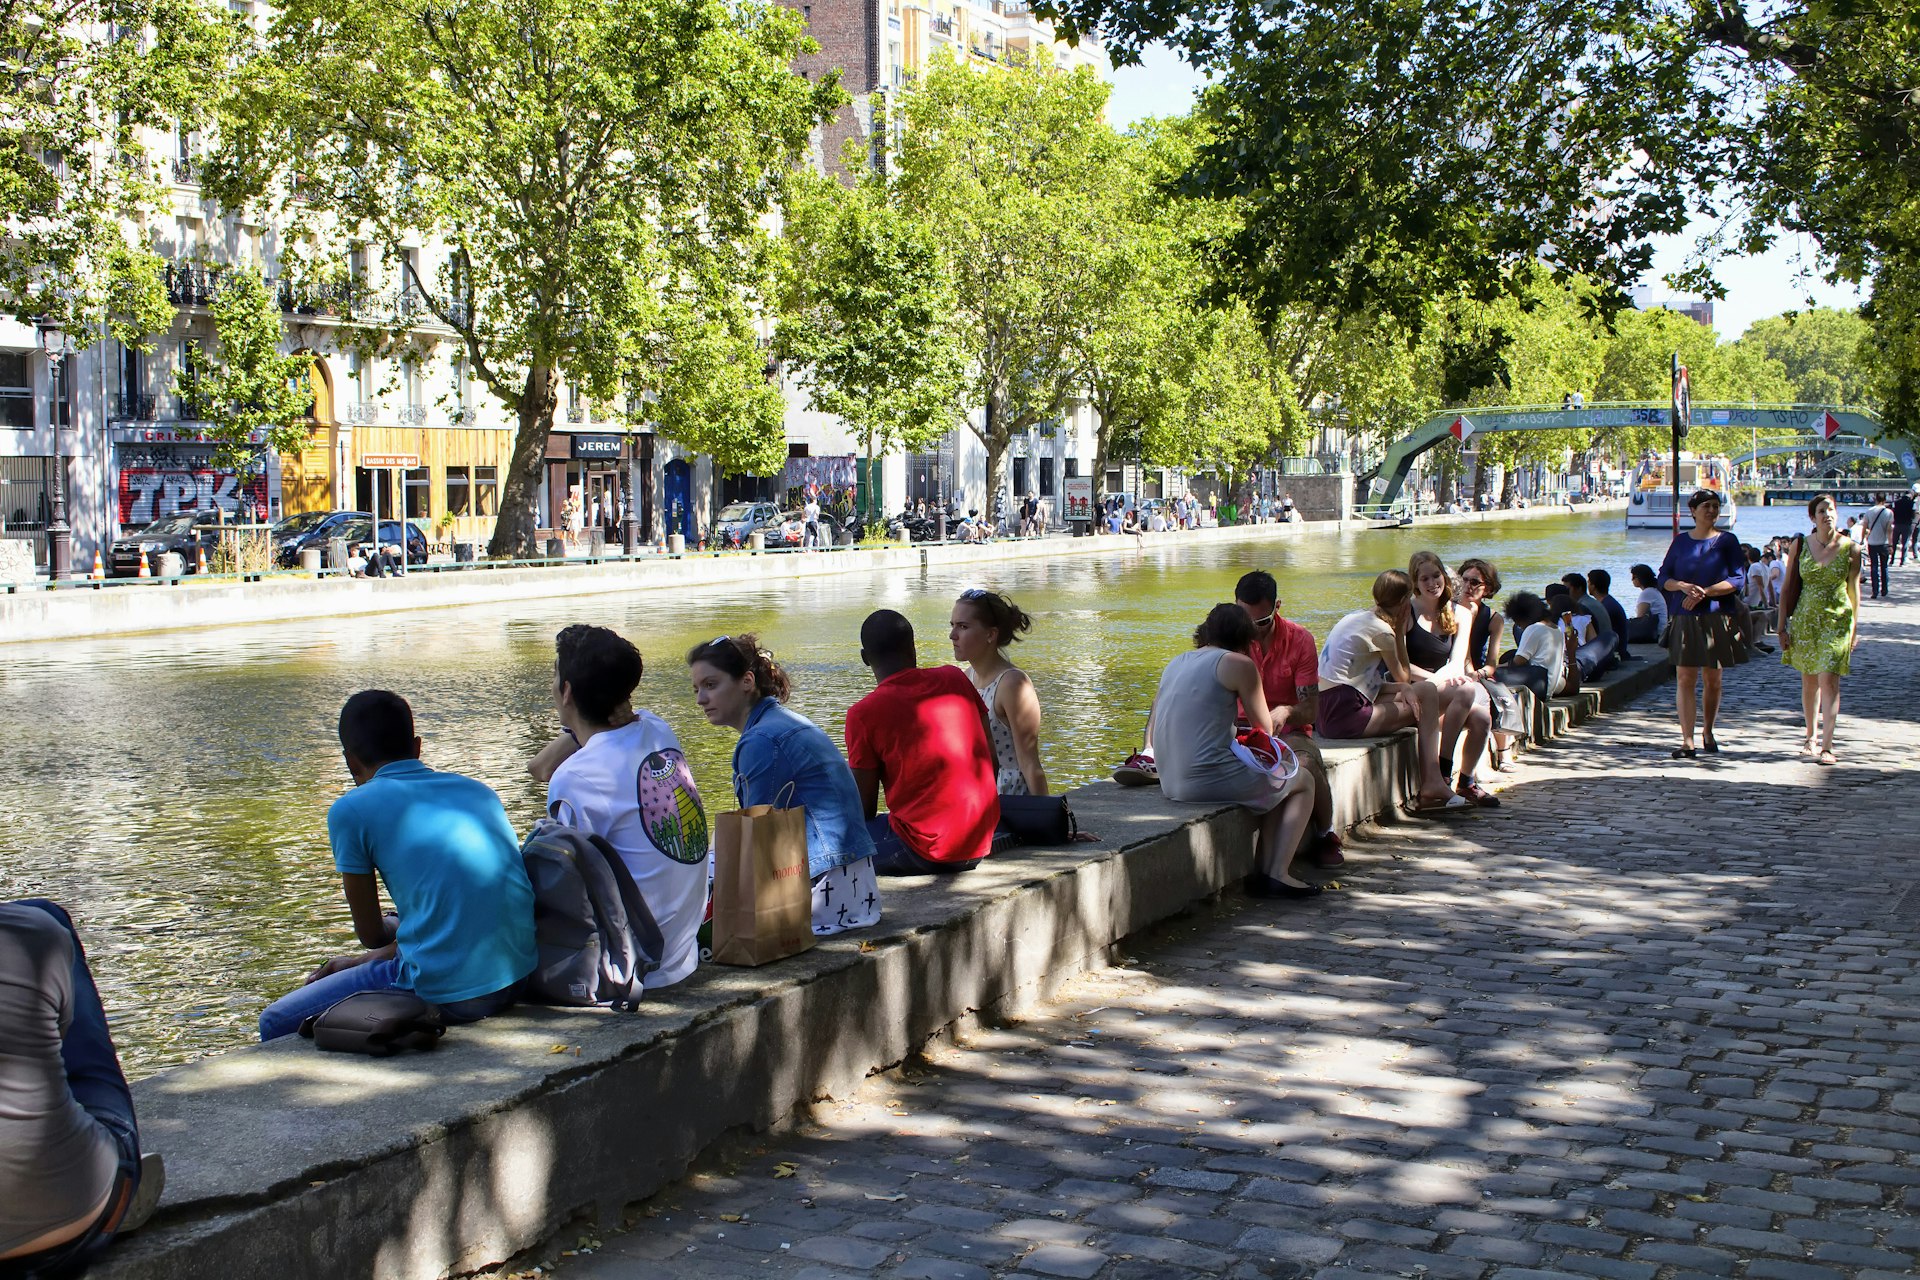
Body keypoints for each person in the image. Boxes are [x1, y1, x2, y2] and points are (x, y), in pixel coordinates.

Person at [258, 691, 537, 1040]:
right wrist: (389, 937)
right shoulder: (478, 791)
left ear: (350, 762)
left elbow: (371, 934)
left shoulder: (350, 811)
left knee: (273, 1022)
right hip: (517, 978)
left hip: (454, 996)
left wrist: (388, 929)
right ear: (417, 746)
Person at [1, 902, 162, 1276]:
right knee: (50, 913)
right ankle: (112, 1180)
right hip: (64, 1231)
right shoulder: (31, 929)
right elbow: (59, 1034)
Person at [545, 626, 710, 988]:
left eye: (555, 676)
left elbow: (566, 894)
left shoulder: (575, 778)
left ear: (567, 691)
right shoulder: (656, 728)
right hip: (683, 953)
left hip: (638, 967)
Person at [687, 635, 882, 937]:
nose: (701, 698)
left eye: (711, 685)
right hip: (855, 889)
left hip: (824, 897)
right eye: (697, 689)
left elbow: (754, 839)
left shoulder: (761, 741)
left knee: (690, 875)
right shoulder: (781, 721)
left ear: (747, 681)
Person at [1145, 604, 1319, 897]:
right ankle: (1278, 873)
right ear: (1246, 638)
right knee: (1302, 781)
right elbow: (1264, 729)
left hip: (1169, 781)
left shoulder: (1176, 662)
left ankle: (1263, 869)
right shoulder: (1239, 664)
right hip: (1203, 781)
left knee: (1277, 787)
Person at [845, 610, 1001, 874]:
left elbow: (864, 810)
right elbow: (991, 759)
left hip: (926, 851)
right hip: (981, 838)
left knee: (827, 843)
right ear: (913, 647)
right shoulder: (954, 678)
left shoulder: (863, 714)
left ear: (864, 658)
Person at [1316, 570, 1466, 812]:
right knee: (1427, 701)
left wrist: (1402, 688)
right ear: (1405, 601)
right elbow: (1404, 673)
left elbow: (1361, 681)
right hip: (1345, 715)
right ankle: (1433, 783)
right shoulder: (1382, 631)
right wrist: (1398, 632)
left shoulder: (1355, 617)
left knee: (1425, 691)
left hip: (1326, 706)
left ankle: (1433, 782)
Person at [1234, 571, 1343, 863]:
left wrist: (1286, 711)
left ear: (1277, 607)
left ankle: (1325, 833)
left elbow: (1311, 708)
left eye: (1262, 622)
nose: (1253, 630)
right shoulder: (1229, 637)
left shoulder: (1300, 640)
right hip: (1240, 730)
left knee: (1304, 764)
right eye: (1247, 622)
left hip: (1289, 731)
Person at [1656, 488, 1748, 758]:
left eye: (1715, 506)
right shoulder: (1680, 542)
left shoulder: (1727, 541)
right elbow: (1663, 577)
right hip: (1685, 618)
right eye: (1705, 506)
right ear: (1692, 512)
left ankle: (1708, 730)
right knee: (1685, 678)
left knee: (1713, 679)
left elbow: (1737, 579)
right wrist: (1682, 587)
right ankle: (1687, 740)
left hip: (1717, 617)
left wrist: (1705, 593)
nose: (1711, 510)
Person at [1405, 552, 1497, 806]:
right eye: (1425, 578)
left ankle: (1465, 782)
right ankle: (1442, 774)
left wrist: (1439, 682)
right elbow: (1400, 667)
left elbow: (1457, 663)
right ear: (1415, 582)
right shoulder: (1407, 611)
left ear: (1445, 578)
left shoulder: (1460, 613)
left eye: (1436, 576)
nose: (1432, 583)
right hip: (1412, 692)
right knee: (1466, 691)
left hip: (1442, 688)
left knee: (1481, 718)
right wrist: (1432, 682)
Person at [1780, 495, 1861, 766]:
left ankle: (1827, 744)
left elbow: (1854, 591)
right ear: (1812, 517)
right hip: (1805, 620)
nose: (1828, 514)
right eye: (1822, 511)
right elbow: (1788, 587)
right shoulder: (1800, 545)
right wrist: (1781, 626)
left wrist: (1854, 629)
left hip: (1837, 619)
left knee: (1829, 679)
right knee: (1810, 680)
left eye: (1831, 510)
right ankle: (1810, 736)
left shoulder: (1851, 548)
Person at [948, 589, 1048, 796]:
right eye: (952, 625)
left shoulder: (1012, 684)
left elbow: (1030, 764)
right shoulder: (966, 679)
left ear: (991, 634)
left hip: (1011, 804)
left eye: (963, 627)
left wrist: (1049, 823)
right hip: (979, 801)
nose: (952, 635)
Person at [1457, 558, 1524, 773]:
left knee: (1498, 693)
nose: (1468, 586)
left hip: (1478, 670)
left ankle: (1504, 753)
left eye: (1475, 582)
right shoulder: (1449, 610)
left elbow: (1492, 661)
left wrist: (1482, 672)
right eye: (1464, 580)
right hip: (1455, 669)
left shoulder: (1493, 618)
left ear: (1488, 588)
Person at [1495, 592, 1567, 702]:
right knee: (1508, 655)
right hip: (1549, 687)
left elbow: (1518, 661)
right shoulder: (1556, 629)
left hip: (1537, 685)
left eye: (1517, 621)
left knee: (1491, 675)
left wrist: (1494, 668)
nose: (1518, 626)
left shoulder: (1534, 628)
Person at [1560, 572, 1617, 680]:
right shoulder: (1591, 602)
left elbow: (1591, 639)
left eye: (1567, 590)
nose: (1565, 594)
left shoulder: (1582, 609)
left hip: (1596, 658)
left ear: (1578, 589)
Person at [1587, 568, 1632, 663]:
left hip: (1616, 651)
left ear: (1593, 586)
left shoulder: (1605, 607)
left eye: (1589, 583)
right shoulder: (1609, 602)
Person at [1858, 493, 1893, 598]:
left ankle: (1875, 591)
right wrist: (1891, 544)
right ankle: (1884, 589)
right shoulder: (1889, 512)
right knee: (1884, 567)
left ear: (1875, 499)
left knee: (1874, 567)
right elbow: (1889, 529)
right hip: (1884, 543)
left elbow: (1864, 527)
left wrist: (1862, 539)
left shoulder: (1869, 511)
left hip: (1872, 542)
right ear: (1885, 500)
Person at [1627, 563, 1667, 646]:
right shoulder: (1654, 591)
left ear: (1641, 578)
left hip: (1656, 633)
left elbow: (1640, 617)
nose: (1632, 580)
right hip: (1662, 631)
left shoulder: (1647, 593)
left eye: (1634, 577)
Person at [1897, 485, 1918, 566]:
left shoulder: (1897, 502)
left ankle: (1893, 560)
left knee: (1902, 541)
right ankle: (1904, 559)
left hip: (1899, 523)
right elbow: (1913, 514)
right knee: (1907, 541)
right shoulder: (1912, 503)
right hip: (1909, 523)